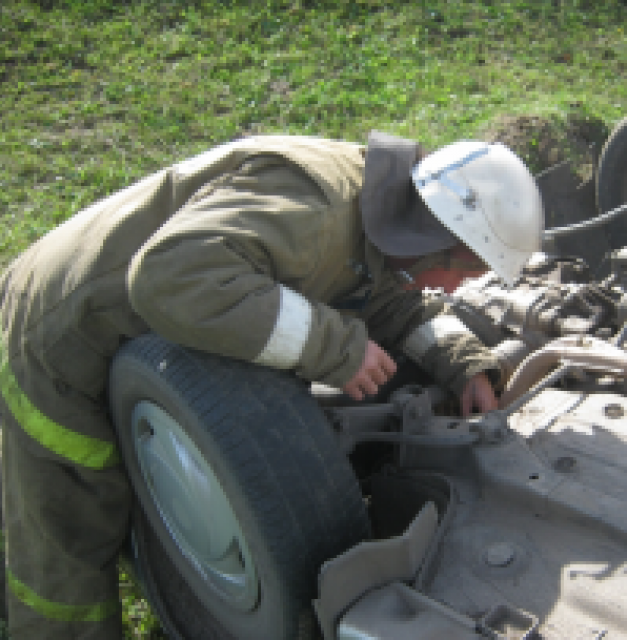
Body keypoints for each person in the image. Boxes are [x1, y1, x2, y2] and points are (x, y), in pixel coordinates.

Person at [0, 130, 543, 639]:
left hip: (143, 323)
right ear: (433, 240)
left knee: (119, 497)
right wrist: (335, 349)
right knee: (67, 541)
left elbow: (390, 300)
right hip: (62, 330)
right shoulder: (318, 208)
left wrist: (463, 362)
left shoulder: (384, 216)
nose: (457, 289)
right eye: (464, 275)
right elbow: (170, 276)